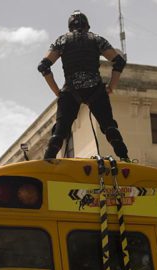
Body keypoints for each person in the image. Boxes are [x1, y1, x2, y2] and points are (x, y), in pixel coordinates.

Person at [38, 10, 130, 160]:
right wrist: (111, 87)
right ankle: (124, 157)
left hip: (70, 90)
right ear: (87, 26)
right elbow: (119, 61)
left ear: (69, 27)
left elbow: (43, 66)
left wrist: (57, 92)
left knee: (60, 131)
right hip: (95, 89)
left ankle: (49, 158)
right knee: (109, 126)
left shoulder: (61, 41)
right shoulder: (97, 39)